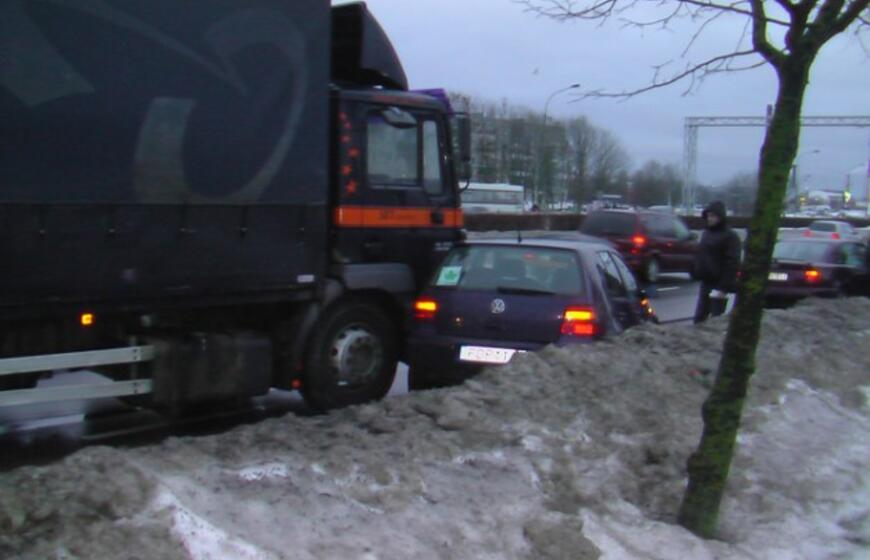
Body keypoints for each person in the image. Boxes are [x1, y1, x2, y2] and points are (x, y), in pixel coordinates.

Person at [692, 201, 742, 323]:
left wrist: (723, 287)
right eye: (708, 216)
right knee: (699, 317)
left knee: (716, 319)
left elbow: (732, 263)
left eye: (713, 216)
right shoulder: (706, 233)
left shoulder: (730, 236)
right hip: (706, 281)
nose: (710, 219)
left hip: (719, 284)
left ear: (720, 217)